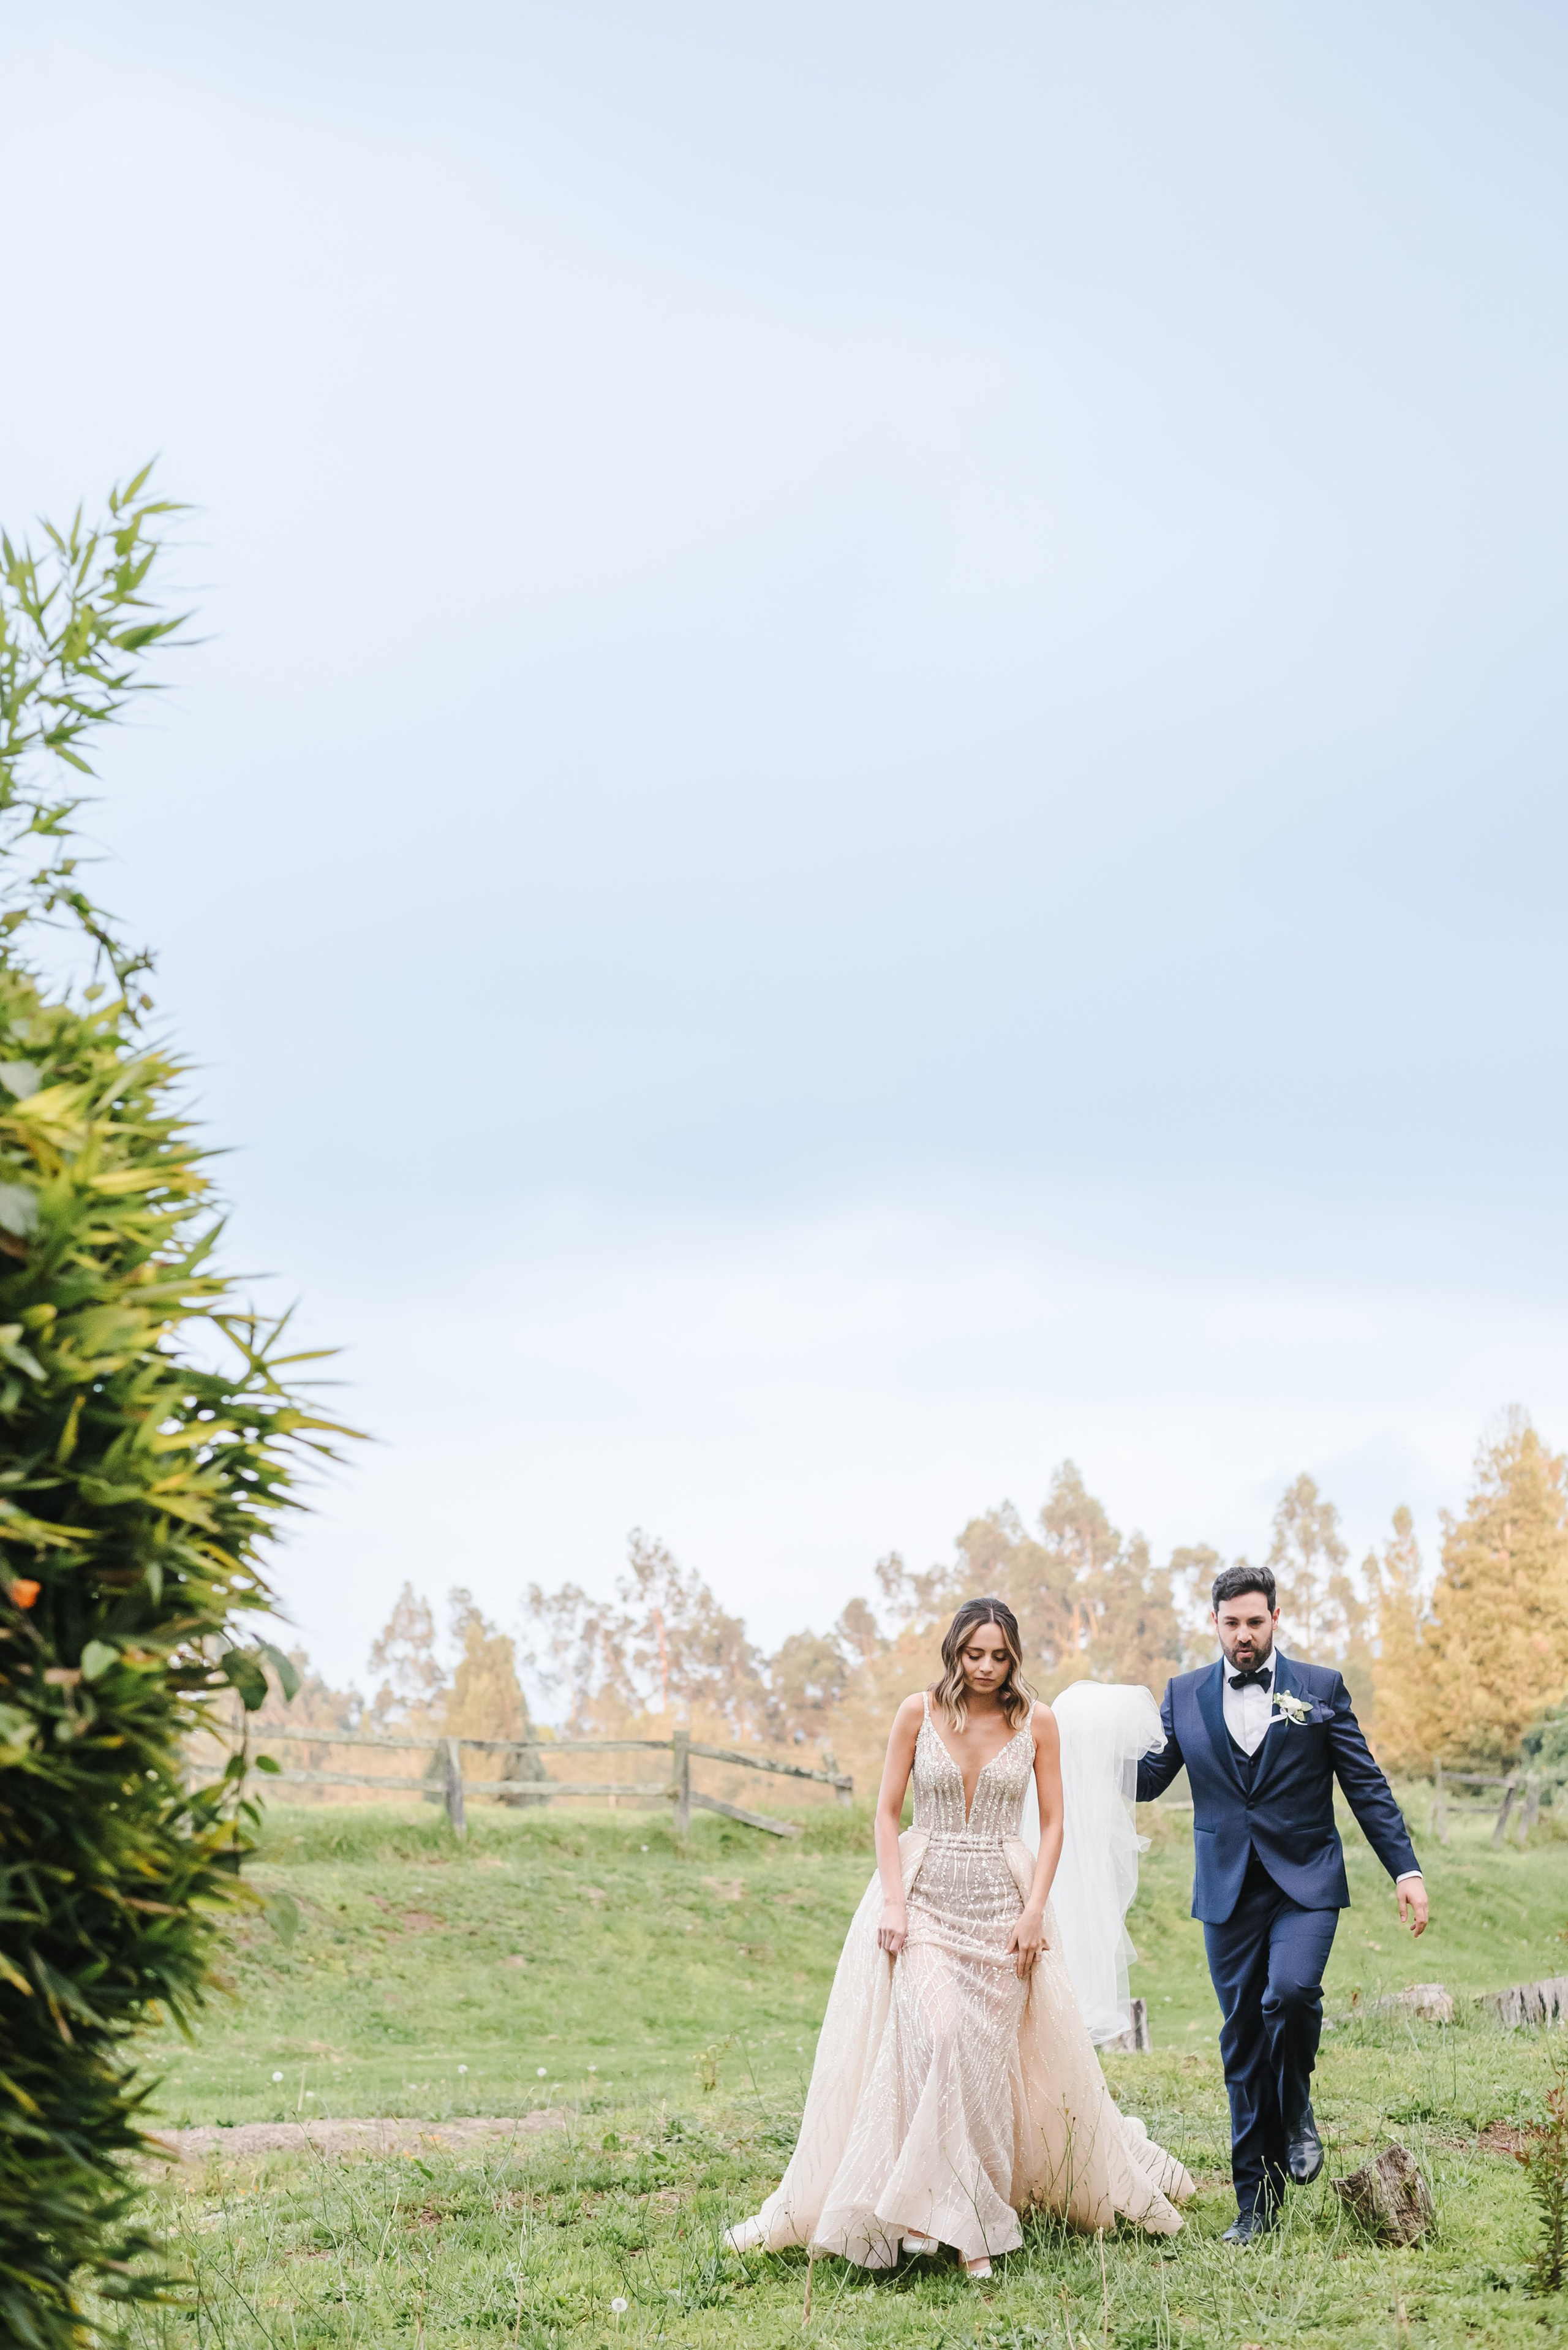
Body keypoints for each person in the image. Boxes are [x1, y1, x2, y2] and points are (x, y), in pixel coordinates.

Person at [724, 1598, 1193, 2277]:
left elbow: (1054, 1823)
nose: (985, 1667)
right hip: (925, 1900)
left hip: (1004, 1906)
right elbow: (886, 1813)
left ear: (1014, 1657)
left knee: (982, 2066)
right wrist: (893, 1901)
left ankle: (966, 2218)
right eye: (974, 1653)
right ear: (954, 1652)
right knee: (938, 2034)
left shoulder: (1037, 1721)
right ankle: (934, 2214)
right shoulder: (916, 1713)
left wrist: (1034, 1910)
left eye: (999, 1655)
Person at [1136, 1564, 1428, 2243]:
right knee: (1242, 2040)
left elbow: (1364, 1783)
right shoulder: (1182, 1695)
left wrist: (1405, 1869)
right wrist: (1081, 1747)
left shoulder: (1319, 1688)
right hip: (1226, 1889)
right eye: (1231, 1623)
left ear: (1275, 1618)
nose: (1243, 1635)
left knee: (1291, 1993)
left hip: (1306, 1881)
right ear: (1214, 1622)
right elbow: (1149, 1781)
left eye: (1254, 1621)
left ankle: (1296, 2105)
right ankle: (1255, 2206)